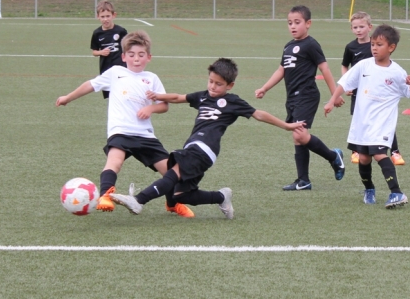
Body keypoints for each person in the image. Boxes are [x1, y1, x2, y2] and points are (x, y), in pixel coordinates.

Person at [112, 58, 305, 219]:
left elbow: (258, 114)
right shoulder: (203, 97)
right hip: (196, 149)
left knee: (173, 173)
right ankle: (221, 196)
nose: (213, 86)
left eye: (218, 84)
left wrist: (287, 125)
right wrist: (158, 96)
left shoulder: (233, 101)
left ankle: (138, 201)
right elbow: (179, 97)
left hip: (204, 148)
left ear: (230, 85)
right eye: (211, 81)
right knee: (181, 194)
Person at [56, 31, 193, 218]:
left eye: (141, 54)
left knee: (170, 172)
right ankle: (105, 196)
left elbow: (164, 105)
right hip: (120, 131)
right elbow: (90, 85)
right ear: (123, 56)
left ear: (149, 57)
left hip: (145, 135)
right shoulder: (115, 73)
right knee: (114, 161)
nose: (136, 59)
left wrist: (151, 109)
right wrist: (68, 98)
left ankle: (172, 204)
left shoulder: (152, 78)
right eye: (131, 54)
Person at [325, 24, 410, 208]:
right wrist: (332, 100)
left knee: (379, 154)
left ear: (391, 47)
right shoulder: (363, 65)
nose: (374, 48)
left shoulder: (397, 72)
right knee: (364, 158)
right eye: (373, 44)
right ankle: (369, 189)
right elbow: (345, 82)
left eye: (379, 45)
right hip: (362, 121)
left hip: (382, 123)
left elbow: (409, 93)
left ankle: (396, 192)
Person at [255, 5, 346, 191]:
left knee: (299, 134)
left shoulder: (311, 44)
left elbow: (325, 69)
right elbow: (281, 70)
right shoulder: (288, 46)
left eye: (297, 22)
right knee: (298, 138)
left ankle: (333, 157)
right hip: (293, 98)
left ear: (308, 23)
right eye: (290, 23)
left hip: (307, 95)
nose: (293, 26)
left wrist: (334, 95)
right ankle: (303, 181)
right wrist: (265, 88)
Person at [341, 11, 405, 166]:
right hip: (360, 92)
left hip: (378, 92)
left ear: (369, 27)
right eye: (355, 27)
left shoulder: (378, 43)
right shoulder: (350, 47)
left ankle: (395, 151)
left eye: (361, 27)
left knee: (384, 122)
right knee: (359, 120)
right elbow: (345, 66)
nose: (358, 30)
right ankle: (356, 151)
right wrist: (347, 85)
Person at [90, 0, 128, 99]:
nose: (105, 19)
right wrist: (101, 52)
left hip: (121, 67)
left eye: (108, 16)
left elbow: (128, 48)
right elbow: (94, 52)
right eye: (102, 17)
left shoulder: (121, 31)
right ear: (98, 16)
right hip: (106, 68)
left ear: (114, 15)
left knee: (123, 93)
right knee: (111, 96)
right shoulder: (97, 33)